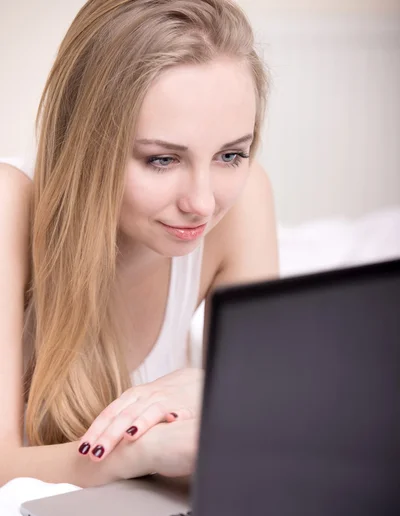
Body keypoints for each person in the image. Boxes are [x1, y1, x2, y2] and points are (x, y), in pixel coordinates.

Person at [0, 0, 278, 488]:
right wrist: (136, 452)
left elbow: (264, 427)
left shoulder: (247, 198)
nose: (203, 203)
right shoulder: (9, 205)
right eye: (162, 160)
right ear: (84, 144)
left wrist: (217, 396)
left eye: (230, 154)